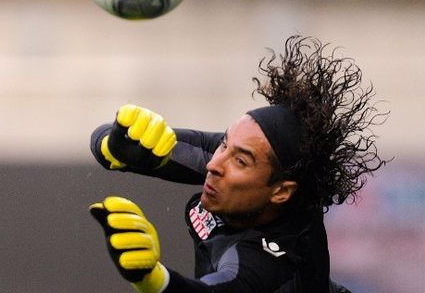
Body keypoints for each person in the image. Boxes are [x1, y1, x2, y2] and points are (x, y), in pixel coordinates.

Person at [88, 35, 389, 293]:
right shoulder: (245, 164)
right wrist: (117, 144)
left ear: (281, 191)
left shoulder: (277, 259)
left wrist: (152, 279)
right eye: (224, 143)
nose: (214, 164)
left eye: (240, 160)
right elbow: (108, 142)